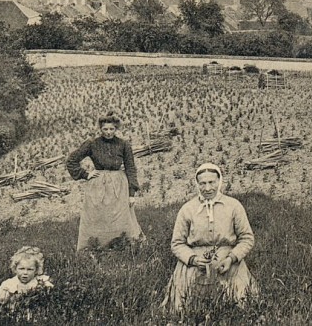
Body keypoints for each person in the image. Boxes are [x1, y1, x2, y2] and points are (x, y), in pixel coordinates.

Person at [163, 163, 259, 313]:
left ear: (219, 182)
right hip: (195, 263)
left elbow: (247, 238)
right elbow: (177, 243)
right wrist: (193, 259)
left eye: (211, 183)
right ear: (197, 184)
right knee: (183, 307)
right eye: (202, 183)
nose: (207, 188)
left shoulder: (234, 206)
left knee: (240, 304)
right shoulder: (187, 209)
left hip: (227, 260)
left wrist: (231, 259)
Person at [66, 111, 143, 251]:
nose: (108, 132)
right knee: (96, 217)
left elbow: (131, 168)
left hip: (119, 185)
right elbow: (71, 161)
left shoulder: (124, 144)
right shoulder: (92, 144)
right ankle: (96, 246)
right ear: (100, 129)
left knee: (121, 216)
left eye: (112, 129)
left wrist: (132, 194)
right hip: (98, 185)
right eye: (105, 129)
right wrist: (85, 174)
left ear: (116, 128)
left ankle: (123, 246)